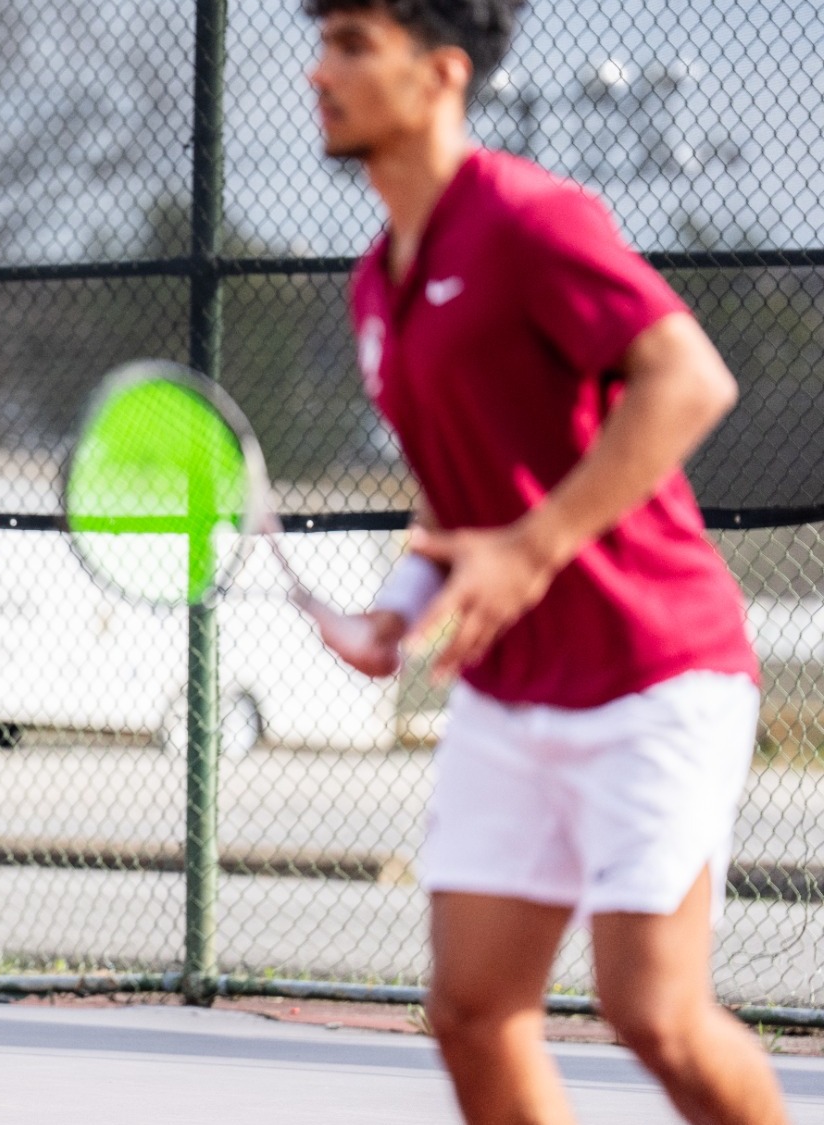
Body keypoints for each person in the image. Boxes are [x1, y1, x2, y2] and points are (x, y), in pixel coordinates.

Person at [303, 2, 789, 1121]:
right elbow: (458, 497)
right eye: (320, 43)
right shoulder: (376, 279)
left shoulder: (530, 216)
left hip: (653, 669)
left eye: (350, 46)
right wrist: (398, 607)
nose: (315, 73)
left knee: (654, 1014)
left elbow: (687, 381)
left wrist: (530, 550)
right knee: (471, 1011)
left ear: (439, 75)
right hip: (508, 692)